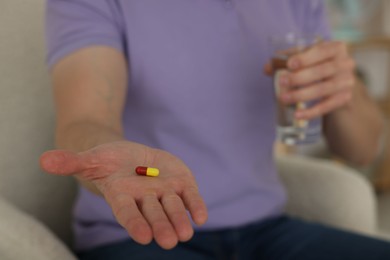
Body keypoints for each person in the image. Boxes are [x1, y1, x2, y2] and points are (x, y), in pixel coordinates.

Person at [40, 0, 390, 259]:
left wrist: (346, 89)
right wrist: (112, 165)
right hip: (137, 234)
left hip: (265, 228)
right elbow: (86, 120)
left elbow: (361, 150)